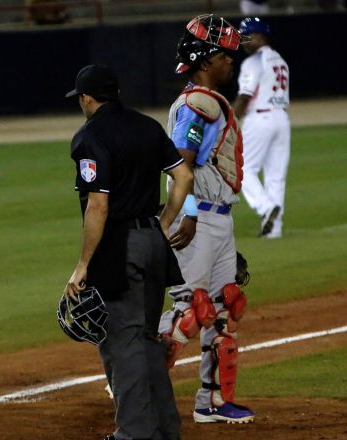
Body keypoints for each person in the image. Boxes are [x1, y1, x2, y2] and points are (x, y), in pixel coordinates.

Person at [63, 63, 194, 440]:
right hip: (153, 243)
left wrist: (83, 264)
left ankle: (133, 434)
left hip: (120, 247)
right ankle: (164, 429)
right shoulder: (147, 126)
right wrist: (163, 222)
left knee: (123, 341)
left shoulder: (89, 137)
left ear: (87, 98)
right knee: (146, 337)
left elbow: (98, 206)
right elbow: (183, 176)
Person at [159, 14, 255, 424]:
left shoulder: (206, 100)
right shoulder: (199, 103)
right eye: (225, 55)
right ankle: (132, 383)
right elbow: (182, 161)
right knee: (189, 312)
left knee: (223, 307)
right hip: (197, 220)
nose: (231, 61)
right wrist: (192, 213)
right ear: (204, 59)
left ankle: (212, 402)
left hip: (219, 220)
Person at [233, 17, 290, 239]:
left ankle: (266, 208)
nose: (244, 41)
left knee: (245, 169)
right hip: (281, 120)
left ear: (261, 37)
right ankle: (274, 229)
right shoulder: (280, 60)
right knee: (275, 176)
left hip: (260, 119)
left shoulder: (254, 62)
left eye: (248, 36)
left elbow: (245, 95)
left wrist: (229, 121)